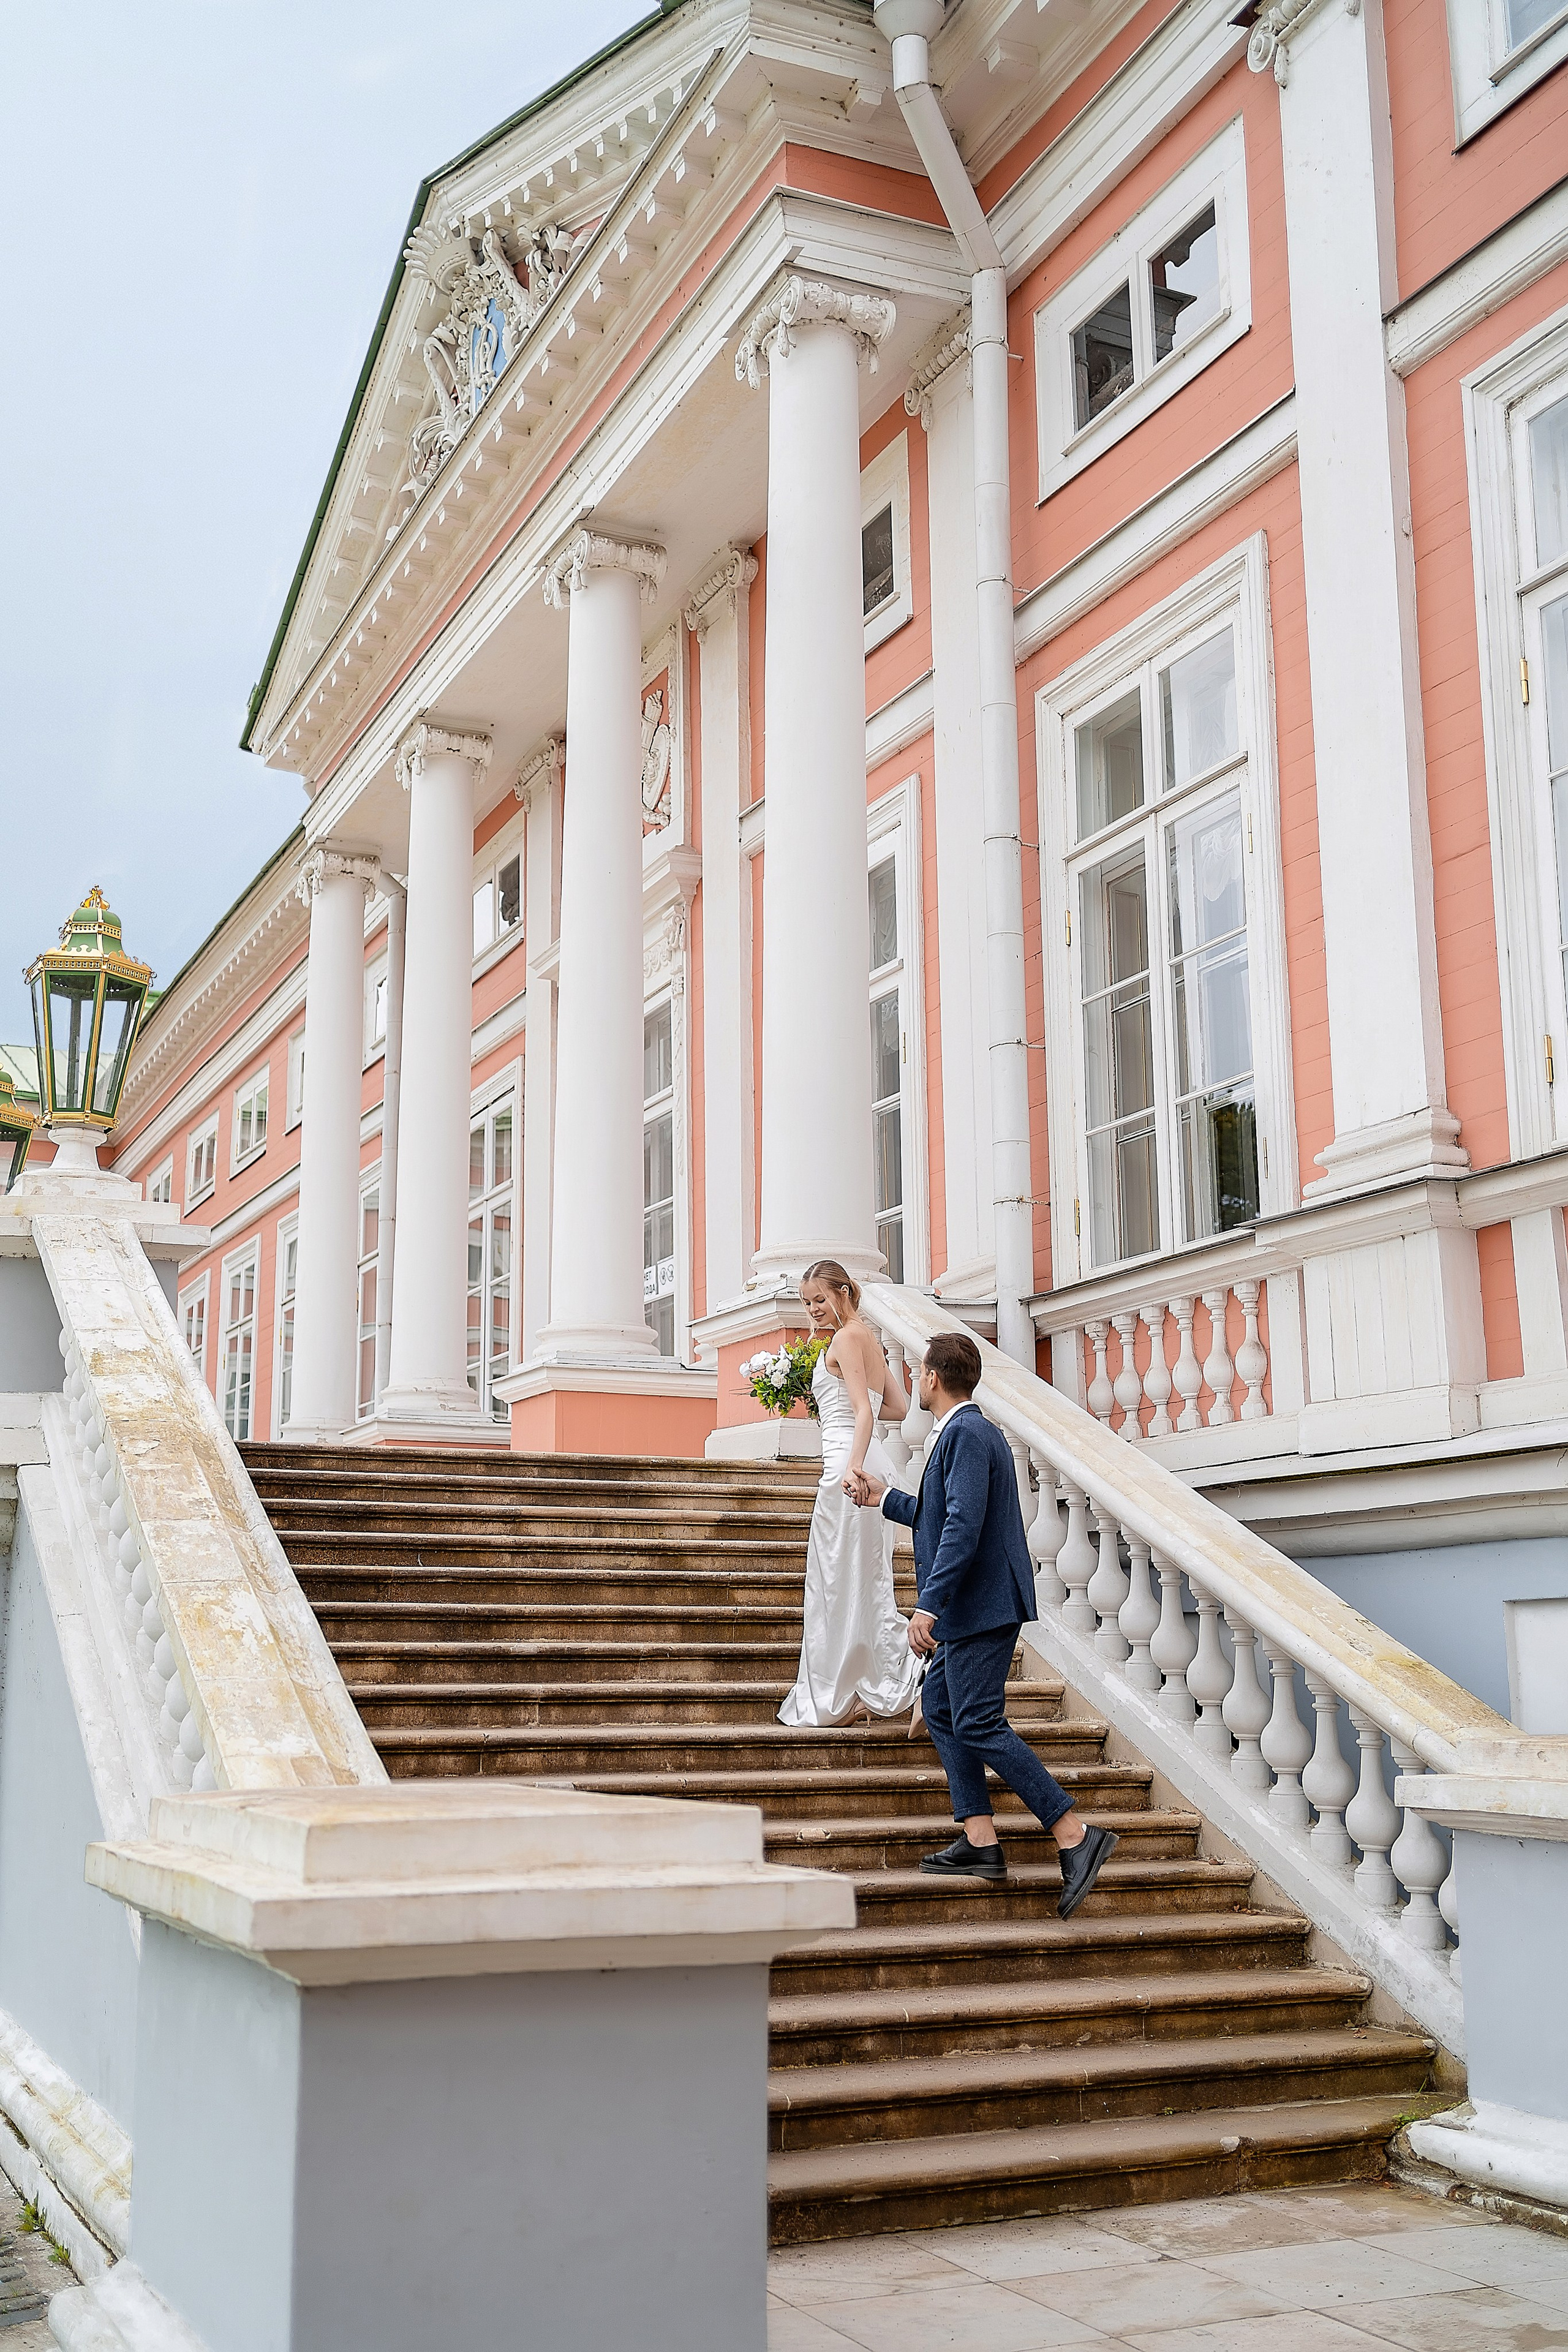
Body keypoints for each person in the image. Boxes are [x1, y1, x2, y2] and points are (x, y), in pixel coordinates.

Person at [850, 1330, 1118, 1914]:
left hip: (979, 1606)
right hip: (976, 1604)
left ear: (932, 1378)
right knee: (944, 1710)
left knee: (976, 1720)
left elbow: (962, 1528)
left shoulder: (968, 1433)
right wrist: (884, 1497)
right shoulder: (963, 1434)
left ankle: (1074, 1832)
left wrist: (930, 1605)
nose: (916, 1380)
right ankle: (979, 1840)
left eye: (919, 1372)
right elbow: (939, 1513)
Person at [777, 1261, 925, 1729]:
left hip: (849, 1464)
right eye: (807, 1303)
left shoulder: (845, 1339)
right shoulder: (867, 1338)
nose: (813, 1310)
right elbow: (898, 1409)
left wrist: (855, 1466)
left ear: (843, 1292)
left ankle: (896, 1673)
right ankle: (872, 1680)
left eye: (820, 1300)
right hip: (867, 1458)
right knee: (864, 1579)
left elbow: (865, 1413)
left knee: (838, 1583)